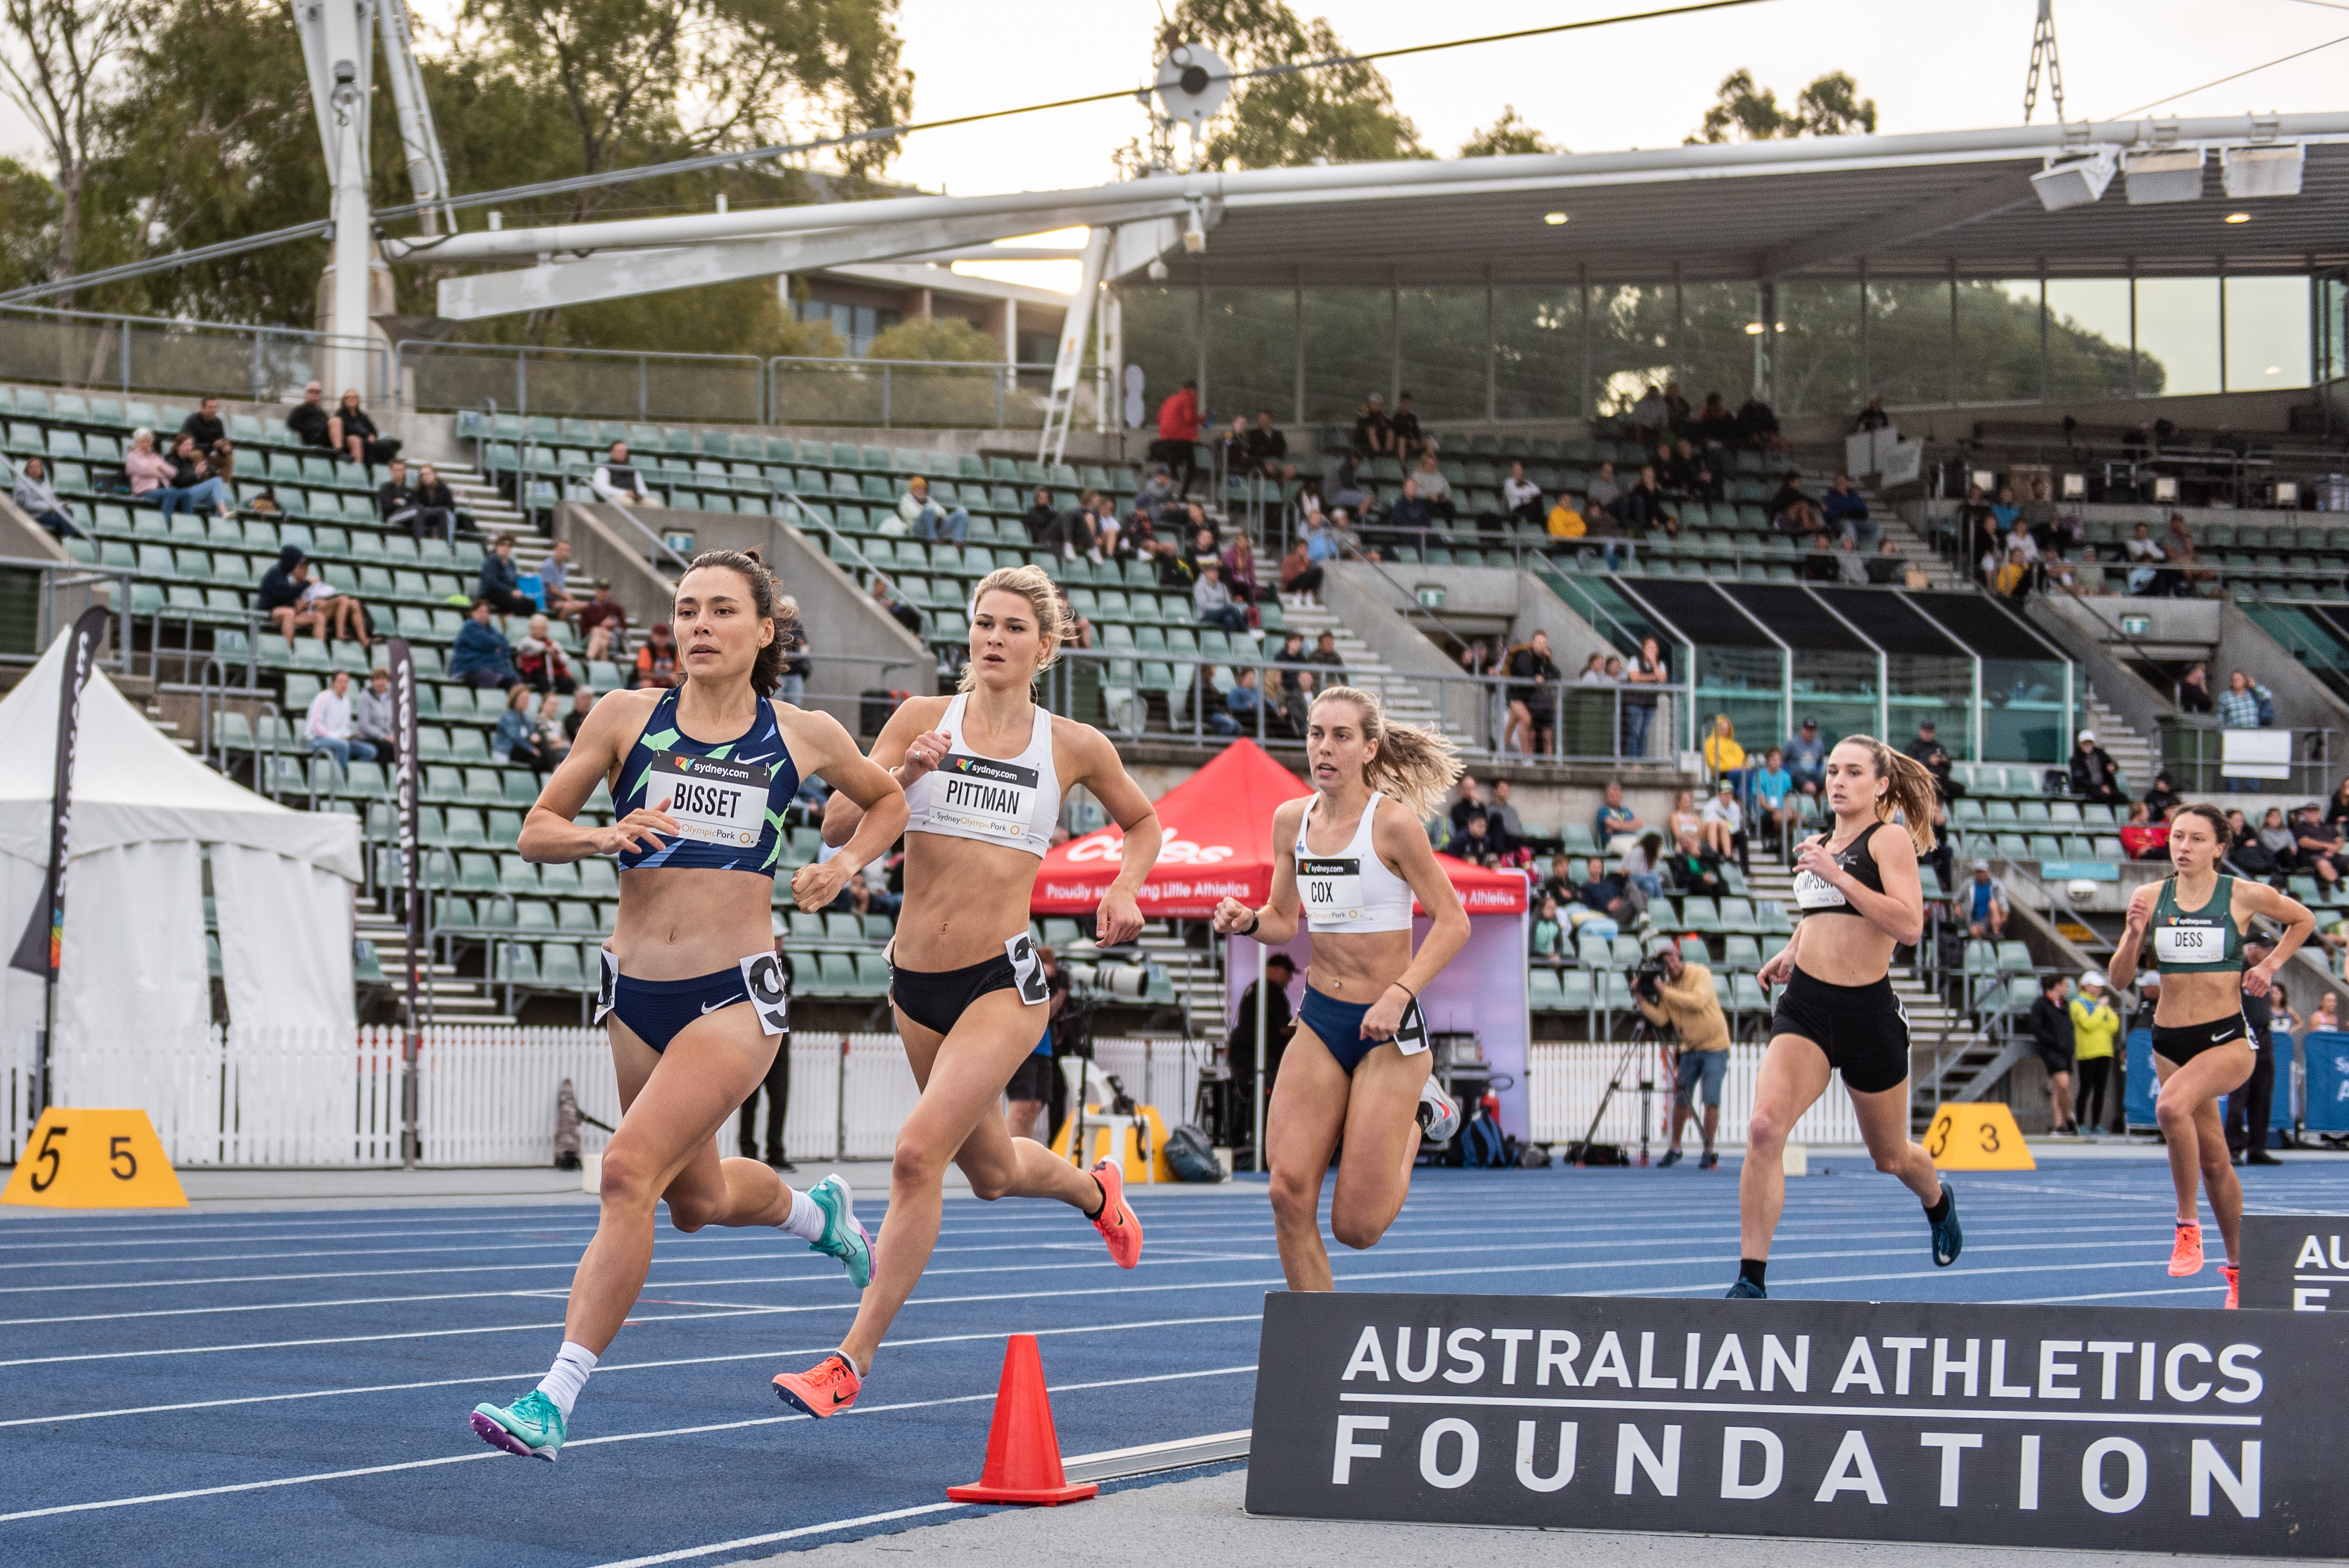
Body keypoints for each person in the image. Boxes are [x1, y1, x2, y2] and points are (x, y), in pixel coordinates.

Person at [467, 548, 907, 1463]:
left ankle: (554, 1399)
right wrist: (604, 833)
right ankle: (815, 1215)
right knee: (695, 1200)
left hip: (734, 994)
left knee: (627, 1172)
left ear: (762, 631)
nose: (698, 625)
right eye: (685, 610)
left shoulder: (804, 733)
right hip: (634, 993)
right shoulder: (628, 718)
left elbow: (888, 800)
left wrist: (840, 866)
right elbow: (534, 831)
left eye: (719, 611)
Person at [775, 567, 1162, 1418]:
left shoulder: (1072, 745)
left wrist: (1127, 885)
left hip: (1003, 983)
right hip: (915, 984)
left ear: (1044, 647)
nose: (993, 639)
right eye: (983, 624)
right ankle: (1098, 1193)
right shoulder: (921, 719)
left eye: (1013, 628)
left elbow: (1144, 822)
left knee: (919, 1156)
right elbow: (839, 823)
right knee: (988, 1171)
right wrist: (905, 772)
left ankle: (848, 1361)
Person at [1212, 684, 1467, 1290]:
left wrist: (1400, 992)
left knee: (1356, 1226)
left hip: (1388, 1033)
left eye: (1341, 736)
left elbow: (1453, 921)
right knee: (1286, 1191)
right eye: (1315, 734)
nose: (1323, 748)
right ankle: (1316, 1346)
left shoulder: (1394, 825)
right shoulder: (1289, 821)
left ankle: (1422, 1110)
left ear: (1369, 748)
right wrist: (1247, 919)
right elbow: (1282, 919)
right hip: (1322, 1020)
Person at [1734, 737, 1958, 1298]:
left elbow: (1908, 927)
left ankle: (1937, 1199)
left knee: (1889, 1157)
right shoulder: (1819, 844)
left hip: (1869, 1016)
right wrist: (1792, 949)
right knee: (1763, 1128)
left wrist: (1838, 875)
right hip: (1807, 1008)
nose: (1838, 781)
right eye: (1832, 770)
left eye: (1853, 772)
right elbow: (1818, 916)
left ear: (1880, 784)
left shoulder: (1888, 840)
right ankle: (1750, 1279)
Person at [2105, 802, 2313, 1309]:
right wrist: (2134, 936)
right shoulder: (2149, 896)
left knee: (2169, 1108)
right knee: (2217, 1163)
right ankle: (2240, 1272)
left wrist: (2270, 968)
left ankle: (2185, 1225)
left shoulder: (2241, 894)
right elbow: (2118, 980)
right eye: (2177, 837)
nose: (2183, 847)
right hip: (2168, 1040)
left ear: (2219, 847)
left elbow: (2302, 919)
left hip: (2226, 1038)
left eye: (2196, 839)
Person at [1642, 941, 1731, 1170]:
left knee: (1711, 1098)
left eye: (1672, 958)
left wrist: (1663, 990)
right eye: (1664, 961)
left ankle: (1708, 1148)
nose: (1670, 963)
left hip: (1715, 1046)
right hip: (1690, 1047)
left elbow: (1697, 1001)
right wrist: (1640, 998)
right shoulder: (1668, 987)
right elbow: (1662, 1019)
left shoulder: (1699, 973)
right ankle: (1675, 1146)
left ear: (1679, 957)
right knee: (1681, 1099)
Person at [2225, 934, 2285, 1167]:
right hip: (2242, 1037)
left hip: (2264, 1036)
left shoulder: (2266, 970)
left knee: (2262, 1096)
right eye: (2266, 948)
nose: (2270, 952)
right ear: (2252, 949)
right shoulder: (2236, 971)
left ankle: (2257, 1148)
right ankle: (2232, 1148)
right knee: (2238, 1096)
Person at [735, 938, 796, 1170]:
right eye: (777, 938)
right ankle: (748, 1153)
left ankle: (776, 1151)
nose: (780, 943)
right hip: (754, 1037)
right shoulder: (752, 963)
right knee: (750, 1099)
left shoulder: (787, 963)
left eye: (782, 939)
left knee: (780, 1098)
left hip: (780, 1035)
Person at [1228, 951, 1297, 1149]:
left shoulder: (1254, 989)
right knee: (1260, 1096)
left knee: (1246, 1096)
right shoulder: (1272, 991)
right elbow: (1284, 1028)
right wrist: (1305, 1026)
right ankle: (1255, 1144)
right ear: (1275, 970)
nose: (1290, 979)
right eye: (1288, 973)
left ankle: (1242, 1143)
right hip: (1257, 1055)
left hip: (1244, 1052)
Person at [1004, 946, 1068, 1143]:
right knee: (1021, 1109)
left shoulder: (1047, 986)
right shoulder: (1023, 978)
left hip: (1043, 1050)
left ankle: (1021, 1159)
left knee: (1033, 1108)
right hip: (1024, 1050)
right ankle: (1006, 1158)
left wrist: (1063, 991)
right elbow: (1035, 1010)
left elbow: (1049, 1014)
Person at [2070, 970, 2122, 1136]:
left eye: (2101, 987)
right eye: (2096, 986)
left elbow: (2114, 1025)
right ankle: (2080, 1123)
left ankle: (2096, 1124)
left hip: (2105, 1051)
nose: (2100, 989)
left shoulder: (2102, 1004)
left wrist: (2099, 1015)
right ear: (2086, 986)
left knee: (2100, 1090)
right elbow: (2088, 1024)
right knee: (2086, 1088)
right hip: (2087, 1052)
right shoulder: (2077, 1004)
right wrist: (2100, 1011)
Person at [2028, 972, 2078, 1135]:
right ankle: (2069, 1118)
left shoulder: (2065, 1005)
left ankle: (2059, 1124)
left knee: (2060, 1088)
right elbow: (2036, 1027)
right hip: (2052, 1050)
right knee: (2063, 1084)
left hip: (2065, 1050)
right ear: (2057, 985)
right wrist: (2052, 1041)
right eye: (2065, 985)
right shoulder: (2041, 1004)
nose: (2068, 988)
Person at [305, 669, 377, 770]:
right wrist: (337, 736)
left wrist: (349, 736)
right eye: (340, 681)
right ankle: (343, 777)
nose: (344, 685)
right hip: (317, 739)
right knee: (343, 746)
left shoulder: (346, 701)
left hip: (340, 740)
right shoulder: (323, 698)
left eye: (346, 682)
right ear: (333, 683)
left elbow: (345, 727)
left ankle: (353, 775)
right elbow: (316, 726)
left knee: (370, 751)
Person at [1503, 631, 1560, 756]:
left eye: (1544, 643)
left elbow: (1556, 674)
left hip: (1528, 698)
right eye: (1539, 642)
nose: (1542, 645)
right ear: (1533, 642)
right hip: (1516, 695)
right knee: (1527, 720)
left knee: (1511, 725)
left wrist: (1548, 662)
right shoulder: (1525, 654)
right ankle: (1526, 757)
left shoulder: (1543, 658)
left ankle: (1500, 752)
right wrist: (1536, 676)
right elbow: (1526, 670)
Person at [258, 547, 324, 647]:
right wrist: (308, 583)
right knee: (289, 613)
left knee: (318, 617)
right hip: (270, 612)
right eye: (298, 562)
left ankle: (319, 650)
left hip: (289, 611)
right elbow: (284, 593)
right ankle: (288, 650)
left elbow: (289, 596)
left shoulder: (287, 576)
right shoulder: (275, 574)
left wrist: (300, 603)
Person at [450, 599, 520, 689]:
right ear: (472, 613)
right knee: (491, 678)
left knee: (516, 680)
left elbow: (505, 646)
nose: (483, 615)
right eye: (480, 612)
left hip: (492, 667)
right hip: (470, 669)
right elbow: (487, 644)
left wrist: (496, 647)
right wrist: (496, 648)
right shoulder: (470, 627)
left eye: (486, 612)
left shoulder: (491, 629)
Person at [1151, 379, 1201, 495]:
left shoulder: (1170, 399)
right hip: (1181, 439)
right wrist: (1201, 419)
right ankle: (1183, 494)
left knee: (1173, 463)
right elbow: (1189, 419)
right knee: (1191, 467)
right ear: (1193, 391)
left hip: (1165, 438)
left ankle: (1173, 482)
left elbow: (1159, 418)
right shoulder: (1189, 398)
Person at [10, 456, 80, 538]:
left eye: (37, 467)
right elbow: (28, 505)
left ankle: (68, 539)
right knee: (63, 519)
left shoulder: (45, 485)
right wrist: (48, 508)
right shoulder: (23, 486)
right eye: (31, 467)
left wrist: (61, 505)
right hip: (36, 516)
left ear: (42, 470)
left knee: (68, 511)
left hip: (49, 513)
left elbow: (53, 500)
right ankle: (69, 540)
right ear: (27, 470)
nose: (35, 469)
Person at [1623, 636, 1667, 759]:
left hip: (1650, 703)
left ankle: (1640, 760)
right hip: (1634, 702)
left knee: (1644, 733)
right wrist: (1654, 677)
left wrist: (1653, 663)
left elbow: (1663, 679)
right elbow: (1634, 678)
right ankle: (1633, 761)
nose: (1652, 650)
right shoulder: (1635, 660)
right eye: (1649, 647)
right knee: (1635, 732)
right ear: (1643, 649)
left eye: (1654, 648)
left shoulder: (1660, 664)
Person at [492, 682, 551, 773]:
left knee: (541, 759)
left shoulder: (526, 718)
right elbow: (515, 737)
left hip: (522, 750)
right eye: (523, 698)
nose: (526, 701)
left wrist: (535, 738)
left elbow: (532, 733)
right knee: (540, 759)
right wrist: (531, 748)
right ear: (515, 699)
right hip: (510, 750)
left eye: (527, 699)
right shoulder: (507, 716)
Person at [515, 614, 578, 696]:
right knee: (543, 681)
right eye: (535, 628)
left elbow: (565, 658)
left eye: (541, 628)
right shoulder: (526, 641)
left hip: (550, 672)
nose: (538, 631)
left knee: (568, 682)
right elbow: (534, 648)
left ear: (545, 629)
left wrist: (556, 656)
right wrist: (547, 648)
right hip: (533, 673)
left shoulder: (551, 642)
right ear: (531, 629)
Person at [1751, 746, 1799, 853]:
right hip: (1767, 812)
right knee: (1783, 817)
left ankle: (1780, 841)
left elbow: (1786, 798)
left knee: (1800, 817)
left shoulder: (1785, 776)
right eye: (1774, 760)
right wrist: (1778, 811)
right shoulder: (1760, 776)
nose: (1777, 763)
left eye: (1779, 760)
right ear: (1768, 760)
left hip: (1782, 812)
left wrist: (1788, 811)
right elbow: (1762, 803)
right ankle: (1781, 843)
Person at [178, 394, 235, 481]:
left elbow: (220, 442)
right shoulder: (192, 421)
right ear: (202, 408)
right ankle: (205, 483)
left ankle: (224, 486)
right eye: (210, 407)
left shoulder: (218, 423)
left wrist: (224, 449)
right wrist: (211, 446)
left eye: (215, 407)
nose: (213, 410)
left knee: (228, 459)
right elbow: (189, 445)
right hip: (191, 456)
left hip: (208, 456)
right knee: (197, 454)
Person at [333, 389, 399, 464]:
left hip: (368, 440)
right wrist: (367, 436)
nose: (351, 400)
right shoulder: (341, 414)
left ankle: (391, 470)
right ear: (344, 400)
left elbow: (373, 430)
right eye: (348, 398)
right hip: (352, 440)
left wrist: (372, 435)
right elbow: (348, 429)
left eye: (354, 398)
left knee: (389, 445)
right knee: (366, 445)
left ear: (358, 400)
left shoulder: (362, 416)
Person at [477, 534, 537, 617]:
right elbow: (492, 583)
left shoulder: (511, 563)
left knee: (531, 604)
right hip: (491, 594)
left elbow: (514, 583)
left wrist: (517, 591)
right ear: (497, 546)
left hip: (507, 594)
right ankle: (515, 626)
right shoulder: (492, 560)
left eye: (509, 545)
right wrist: (511, 591)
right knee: (517, 603)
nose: (506, 547)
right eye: (503, 544)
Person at [897, 476, 968, 545]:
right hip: (917, 530)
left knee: (962, 511)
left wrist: (928, 510)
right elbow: (914, 515)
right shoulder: (907, 499)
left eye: (923, 488)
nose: (921, 490)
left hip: (935, 529)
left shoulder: (928, 500)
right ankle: (932, 539)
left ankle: (959, 541)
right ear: (912, 490)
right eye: (918, 488)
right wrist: (927, 510)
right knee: (929, 509)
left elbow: (943, 512)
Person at [410, 463, 467, 543]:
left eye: (427, 474)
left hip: (440, 517)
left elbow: (451, 506)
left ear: (434, 474)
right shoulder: (418, 490)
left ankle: (447, 545)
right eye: (422, 475)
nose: (425, 477)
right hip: (425, 517)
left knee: (445, 515)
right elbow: (415, 505)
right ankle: (420, 543)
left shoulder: (443, 489)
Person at [352, 667, 397, 763]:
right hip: (369, 738)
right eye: (377, 679)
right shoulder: (364, 698)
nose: (380, 683)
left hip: (388, 737)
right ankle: (383, 775)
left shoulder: (393, 698)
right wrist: (383, 736)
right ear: (372, 682)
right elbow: (364, 725)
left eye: (383, 679)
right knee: (388, 748)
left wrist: (392, 736)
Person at [2069, 730, 2125, 807]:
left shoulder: (2100, 754)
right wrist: (2100, 788)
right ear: (2080, 744)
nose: (2088, 745)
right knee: (2103, 797)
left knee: (2122, 797)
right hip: (2088, 789)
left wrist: (2113, 767)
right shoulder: (2076, 760)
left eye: (2090, 743)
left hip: (2105, 786)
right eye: (2085, 743)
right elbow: (2080, 780)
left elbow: (2113, 765)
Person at [578, 580, 630, 663]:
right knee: (602, 641)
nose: (604, 592)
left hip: (612, 638)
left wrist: (613, 624)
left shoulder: (616, 608)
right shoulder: (587, 609)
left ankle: (588, 659)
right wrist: (593, 629)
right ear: (596, 590)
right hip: (591, 638)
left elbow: (624, 627)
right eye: (601, 590)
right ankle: (604, 667)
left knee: (601, 635)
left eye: (606, 590)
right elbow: (583, 630)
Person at [1193, 558, 1248, 635]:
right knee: (1229, 609)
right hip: (1206, 615)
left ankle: (1230, 643)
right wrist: (1220, 607)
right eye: (1213, 572)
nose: (1216, 574)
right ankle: (1246, 631)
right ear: (1206, 573)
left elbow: (1228, 602)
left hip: (1223, 613)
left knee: (1229, 619)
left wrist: (1224, 608)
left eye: (1217, 571)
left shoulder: (1222, 586)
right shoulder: (1199, 586)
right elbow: (1203, 605)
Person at [1821, 473, 1877, 548]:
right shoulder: (1830, 497)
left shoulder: (1854, 496)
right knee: (1848, 525)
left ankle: (1869, 549)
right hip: (1839, 522)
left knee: (1875, 527)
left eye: (1843, 482)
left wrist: (1853, 514)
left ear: (1847, 483)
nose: (1840, 484)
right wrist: (1843, 514)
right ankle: (1853, 550)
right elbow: (1828, 513)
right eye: (1838, 482)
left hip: (1856, 521)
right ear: (1835, 484)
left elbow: (1864, 511)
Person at [773, 596, 810, 706]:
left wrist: (803, 648)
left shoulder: (797, 625)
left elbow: (804, 645)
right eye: (784, 610)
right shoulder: (774, 625)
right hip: (778, 673)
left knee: (795, 704)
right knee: (777, 704)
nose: (787, 613)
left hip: (795, 671)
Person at [591, 442, 652, 507]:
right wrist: (624, 493)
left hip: (634, 499)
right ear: (612, 452)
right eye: (619, 451)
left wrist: (640, 495)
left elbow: (642, 488)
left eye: (624, 451)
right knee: (627, 502)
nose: (623, 453)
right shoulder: (603, 468)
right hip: (613, 498)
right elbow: (602, 488)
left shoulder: (633, 469)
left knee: (654, 504)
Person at [1246, 412, 1298, 483]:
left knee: (1292, 470)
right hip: (1262, 461)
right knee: (1271, 469)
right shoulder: (1253, 434)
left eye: (1265, 419)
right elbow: (1253, 452)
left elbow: (1282, 449)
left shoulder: (1278, 434)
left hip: (1277, 460)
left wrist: (1267, 449)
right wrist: (1264, 462)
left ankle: (1282, 490)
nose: (1262, 421)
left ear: (1270, 420)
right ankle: (1273, 490)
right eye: (1260, 419)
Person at [1699, 778, 1742, 860]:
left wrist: (1724, 826)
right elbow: (1708, 823)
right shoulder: (1711, 806)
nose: (1728, 797)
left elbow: (1736, 827)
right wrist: (1723, 824)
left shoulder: (1735, 807)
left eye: (1730, 794)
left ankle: (1728, 856)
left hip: (1726, 834)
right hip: (1707, 834)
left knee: (1740, 834)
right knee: (1715, 824)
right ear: (1719, 795)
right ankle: (1713, 853)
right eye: (1725, 794)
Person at [286, 381, 335, 451]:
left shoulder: (323, 413)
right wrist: (310, 430)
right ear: (306, 393)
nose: (314, 394)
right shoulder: (301, 410)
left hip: (326, 439)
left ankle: (339, 451)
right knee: (335, 421)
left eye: (317, 392)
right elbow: (292, 423)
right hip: (313, 439)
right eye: (311, 391)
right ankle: (338, 452)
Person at [539, 539, 583, 618]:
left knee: (583, 607)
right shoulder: (548, 565)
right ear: (555, 550)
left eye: (567, 551)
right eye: (562, 550)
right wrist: (566, 596)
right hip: (548, 599)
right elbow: (552, 589)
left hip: (559, 598)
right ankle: (560, 626)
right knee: (567, 607)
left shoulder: (564, 566)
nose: (564, 553)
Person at [1782, 717, 1825, 796]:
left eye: (1812, 730)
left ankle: (1819, 807)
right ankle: (1807, 807)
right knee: (1810, 788)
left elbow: (1820, 762)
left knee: (1828, 787)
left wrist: (1817, 770)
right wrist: (1789, 772)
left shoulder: (1819, 744)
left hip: (1812, 774)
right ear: (1802, 730)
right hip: (1797, 775)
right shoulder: (1792, 743)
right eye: (1807, 730)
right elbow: (1781, 761)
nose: (1810, 733)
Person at [1962, 859, 2005, 938]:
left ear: (1988, 872)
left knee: (1994, 904)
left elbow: (2004, 905)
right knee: (1975, 931)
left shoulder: (1996, 885)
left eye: (1983, 872)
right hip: (1973, 917)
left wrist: (2002, 918)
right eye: (1978, 872)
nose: (1980, 874)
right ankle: (1990, 939)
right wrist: (1957, 905)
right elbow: (1957, 898)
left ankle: (1996, 933)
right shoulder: (1969, 884)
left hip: (1989, 917)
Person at [633, 622, 682, 689]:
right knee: (647, 684)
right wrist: (666, 677)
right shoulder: (647, 650)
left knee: (680, 684)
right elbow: (643, 675)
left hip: (667, 684)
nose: (661, 639)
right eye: (658, 636)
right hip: (648, 684)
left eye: (664, 636)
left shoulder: (673, 651)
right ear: (653, 636)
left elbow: (678, 672)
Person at [376, 457, 420, 533]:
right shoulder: (385, 488)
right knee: (418, 510)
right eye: (396, 470)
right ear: (391, 471)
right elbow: (388, 505)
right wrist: (404, 504)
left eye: (401, 470)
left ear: (404, 472)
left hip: (407, 518)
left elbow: (415, 503)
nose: (399, 473)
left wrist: (398, 502)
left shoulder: (409, 491)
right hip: (391, 517)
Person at [1595, 779, 1641, 845]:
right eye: (1612, 796)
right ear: (1606, 797)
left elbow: (1639, 823)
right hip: (1614, 841)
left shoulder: (1626, 810)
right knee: (1631, 850)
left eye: (1617, 795)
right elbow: (1614, 825)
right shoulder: (1603, 811)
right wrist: (1631, 826)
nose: (1615, 798)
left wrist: (1618, 826)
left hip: (1632, 839)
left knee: (1649, 848)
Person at [1279, 536, 1323, 603]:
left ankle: (1309, 595)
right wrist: (1301, 572)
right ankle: (1298, 596)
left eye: (1305, 548)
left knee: (1319, 571)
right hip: (1291, 586)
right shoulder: (1289, 559)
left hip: (1303, 585)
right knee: (1308, 573)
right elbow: (1286, 577)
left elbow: (1312, 575)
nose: (1303, 550)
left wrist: (1308, 564)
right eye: (1301, 548)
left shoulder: (1306, 561)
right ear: (1296, 549)